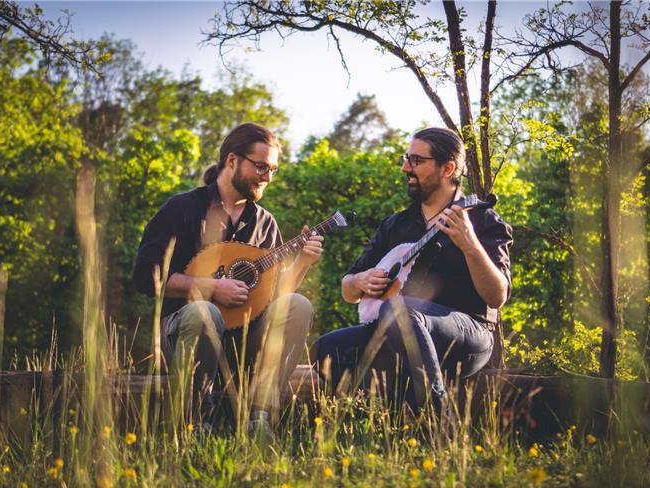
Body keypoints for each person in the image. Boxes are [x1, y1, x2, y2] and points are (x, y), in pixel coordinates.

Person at [133, 123, 324, 435]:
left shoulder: (264, 223)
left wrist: (303, 262)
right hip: (184, 335)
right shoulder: (182, 208)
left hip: (244, 342)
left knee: (298, 305)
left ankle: (259, 419)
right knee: (204, 312)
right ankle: (194, 425)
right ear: (233, 161)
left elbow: (274, 296)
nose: (268, 177)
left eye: (274, 169)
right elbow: (145, 277)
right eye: (261, 166)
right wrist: (210, 287)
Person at [310, 127, 512, 416]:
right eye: (407, 158)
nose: (406, 167)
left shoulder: (481, 220)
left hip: (468, 335)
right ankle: (396, 413)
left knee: (401, 310)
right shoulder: (397, 224)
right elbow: (347, 290)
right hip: (395, 332)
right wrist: (361, 280)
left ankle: (438, 421)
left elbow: (497, 296)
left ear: (448, 168)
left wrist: (470, 245)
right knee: (326, 349)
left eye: (416, 161)